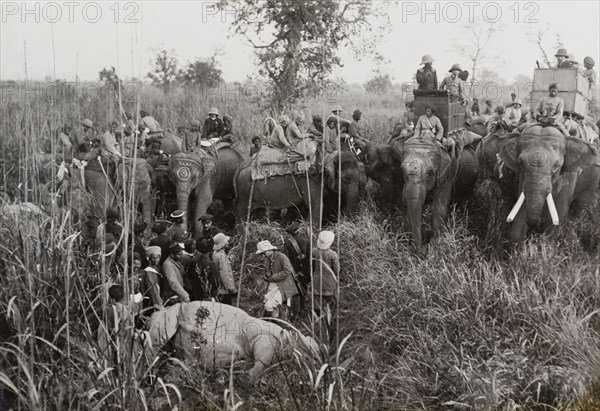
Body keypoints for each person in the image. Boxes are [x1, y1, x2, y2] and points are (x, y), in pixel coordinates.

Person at [256, 240, 298, 319]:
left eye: (263, 253)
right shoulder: (268, 259)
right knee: (271, 306)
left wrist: (273, 277)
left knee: (269, 305)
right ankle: (275, 323)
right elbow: (267, 271)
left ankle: (266, 322)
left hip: (284, 286)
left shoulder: (282, 257)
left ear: (269, 250)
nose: (263, 256)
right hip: (273, 285)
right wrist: (267, 275)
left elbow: (287, 271)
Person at [97, 284, 137, 358]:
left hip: (109, 340)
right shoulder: (125, 311)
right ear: (123, 295)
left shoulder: (106, 309)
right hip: (122, 341)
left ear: (111, 297)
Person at [282, 222, 310, 314]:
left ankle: (295, 311)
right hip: (304, 268)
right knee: (303, 286)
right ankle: (303, 308)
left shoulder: (287, 243)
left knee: (295, 288)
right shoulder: (306, 241)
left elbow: (286, 259)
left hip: (294, 268)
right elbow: (310, 257)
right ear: (297, 231)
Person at [311, 231, 339, 318]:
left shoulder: (314, 251)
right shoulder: (333, 254)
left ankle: (318, 318)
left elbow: (311, 266)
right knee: (328, 301)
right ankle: (328, 319)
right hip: (329, 282)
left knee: (317, 301)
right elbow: (337, 269)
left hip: (316, 281)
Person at [212, 233, 237, 305]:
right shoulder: (222, 256)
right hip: (224, 290)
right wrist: (232, 289)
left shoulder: (215, 254)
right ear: (223, 244)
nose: (228, 243)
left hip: (218, 288)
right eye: (226, 241)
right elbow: (225, 274)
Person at [142, 246, 163, 312]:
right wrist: (157, 303)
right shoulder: (148, 271)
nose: (156, 260)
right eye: (153, 258)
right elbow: (152, 288)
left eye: (157, 257)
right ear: (149, 259)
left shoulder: (159, 268)